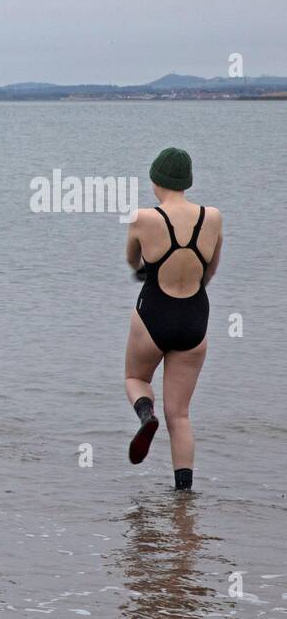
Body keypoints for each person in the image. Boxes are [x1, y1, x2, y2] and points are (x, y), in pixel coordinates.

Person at [124, 147, 223, 490]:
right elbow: (211, 270)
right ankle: (184, 495)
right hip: (196, 318)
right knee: (180, 415)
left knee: (135, 378)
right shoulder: (213, 216)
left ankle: (145, 416)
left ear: (156, 180)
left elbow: (132, 259)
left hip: (154, 313)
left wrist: (144, 270)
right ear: (187, 182)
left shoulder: (143, 217)